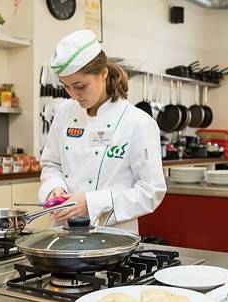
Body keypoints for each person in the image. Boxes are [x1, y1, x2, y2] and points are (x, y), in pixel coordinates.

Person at [39, 29, 166, 232]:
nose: (73, 95)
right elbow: (51, 164)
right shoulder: (64, 113)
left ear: (103, 74)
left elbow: (151, 191)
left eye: (80, 86)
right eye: (66, 87)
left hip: (114, 236)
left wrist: (90, 203)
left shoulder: (138, 122)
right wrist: (55, 188)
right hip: (63, 232)